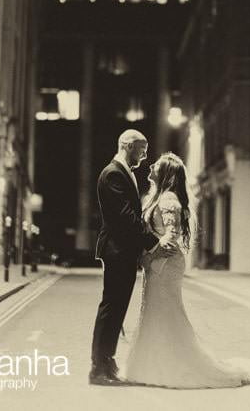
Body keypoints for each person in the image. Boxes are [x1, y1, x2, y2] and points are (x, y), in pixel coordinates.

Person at [124, 152, 250, 388]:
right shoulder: (157, 197)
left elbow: (172, 235)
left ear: (166, 173)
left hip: (165, 264)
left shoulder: (168, 200)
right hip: (157, 264)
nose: (152, 165)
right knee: (155, 313)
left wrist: (151, 254)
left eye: (157, 164)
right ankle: (156, 363)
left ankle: (174, 364)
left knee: (166, 314)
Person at [89, 130, 177, 386]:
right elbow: (125, 218)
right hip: (117, 251)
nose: (145, 154)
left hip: (122, 251)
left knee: (116, 309)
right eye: (142, 148)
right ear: (127, 145)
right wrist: (153, 242)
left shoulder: (123, 171)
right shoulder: (113, 173)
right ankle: (98, 368)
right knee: (111, 308)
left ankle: (107, 361)